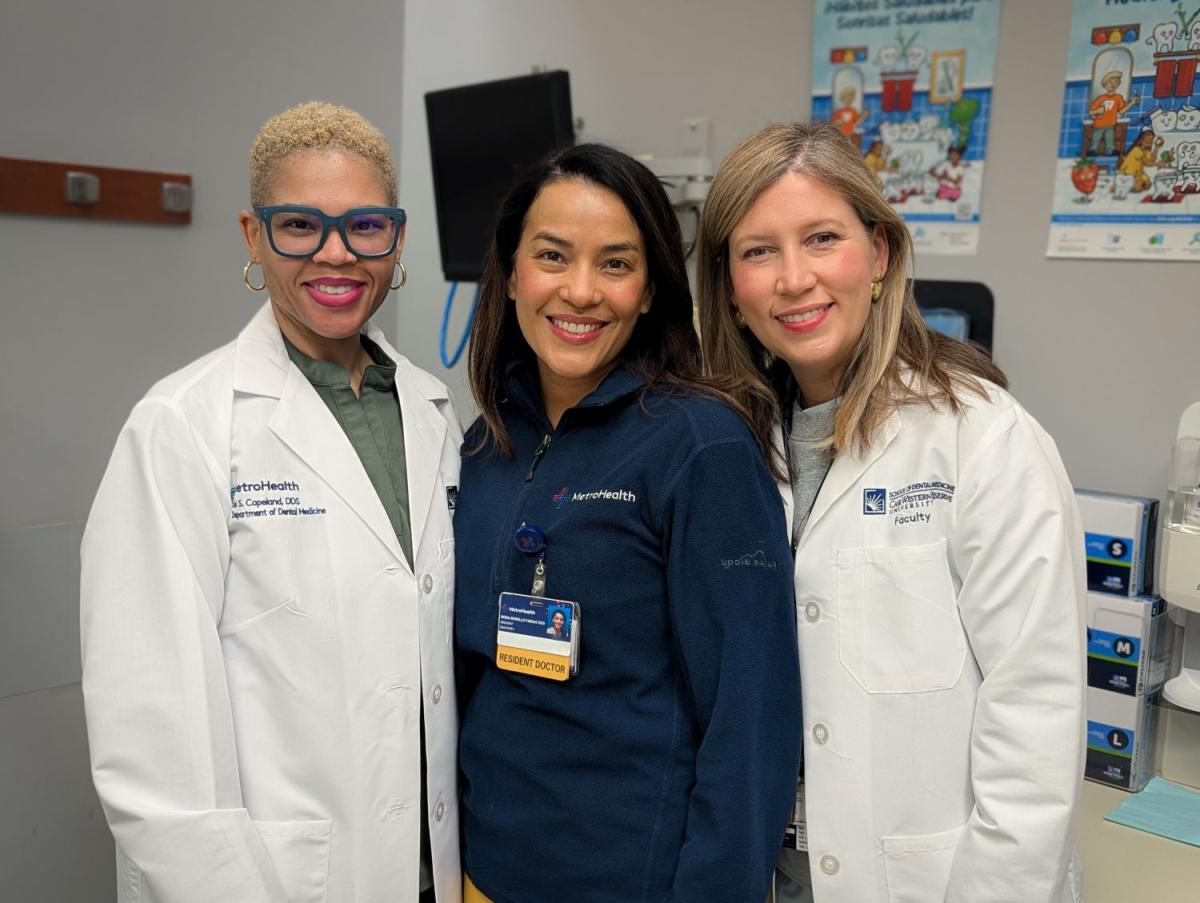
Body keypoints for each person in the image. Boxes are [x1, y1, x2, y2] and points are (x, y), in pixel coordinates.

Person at [80, 101, 461, 903]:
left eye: (365, 226)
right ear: (254, 237)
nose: (337, 254)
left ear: (395, 240)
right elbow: (152, 742)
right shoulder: (184, 425)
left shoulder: (432, 410)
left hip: (430, 869)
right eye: (300, 226)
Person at [696, 122, 1085, 903]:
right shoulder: (721, 446)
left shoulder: (982, 437)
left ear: (879, 255)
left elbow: (1036, 716)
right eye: (758, 250)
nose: (794, 278)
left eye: (822, 238)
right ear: (730, 289)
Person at [454, 143, 801, 903]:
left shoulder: (699, 446)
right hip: (482, 870)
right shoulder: (486, 447)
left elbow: (751, 719)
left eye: (615, 264)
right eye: (552, 256)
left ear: (649, 291)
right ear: (512, 272)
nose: (580, 291)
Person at [1088, 70, 1138, 157]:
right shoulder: (1100, 98)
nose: (1112, 84)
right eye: (1110, 82)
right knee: (1095, 140)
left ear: (1118, 85)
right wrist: (1097, 111)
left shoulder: (1118, 98)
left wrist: (1131, 103)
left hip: (1110, 124)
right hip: (1099, 124)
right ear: (1105, 84)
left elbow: (1121, 111)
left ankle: (1110, 152)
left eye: (1115, 82)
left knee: (1110, 141)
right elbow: (1091, 111)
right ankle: (1093, 151)